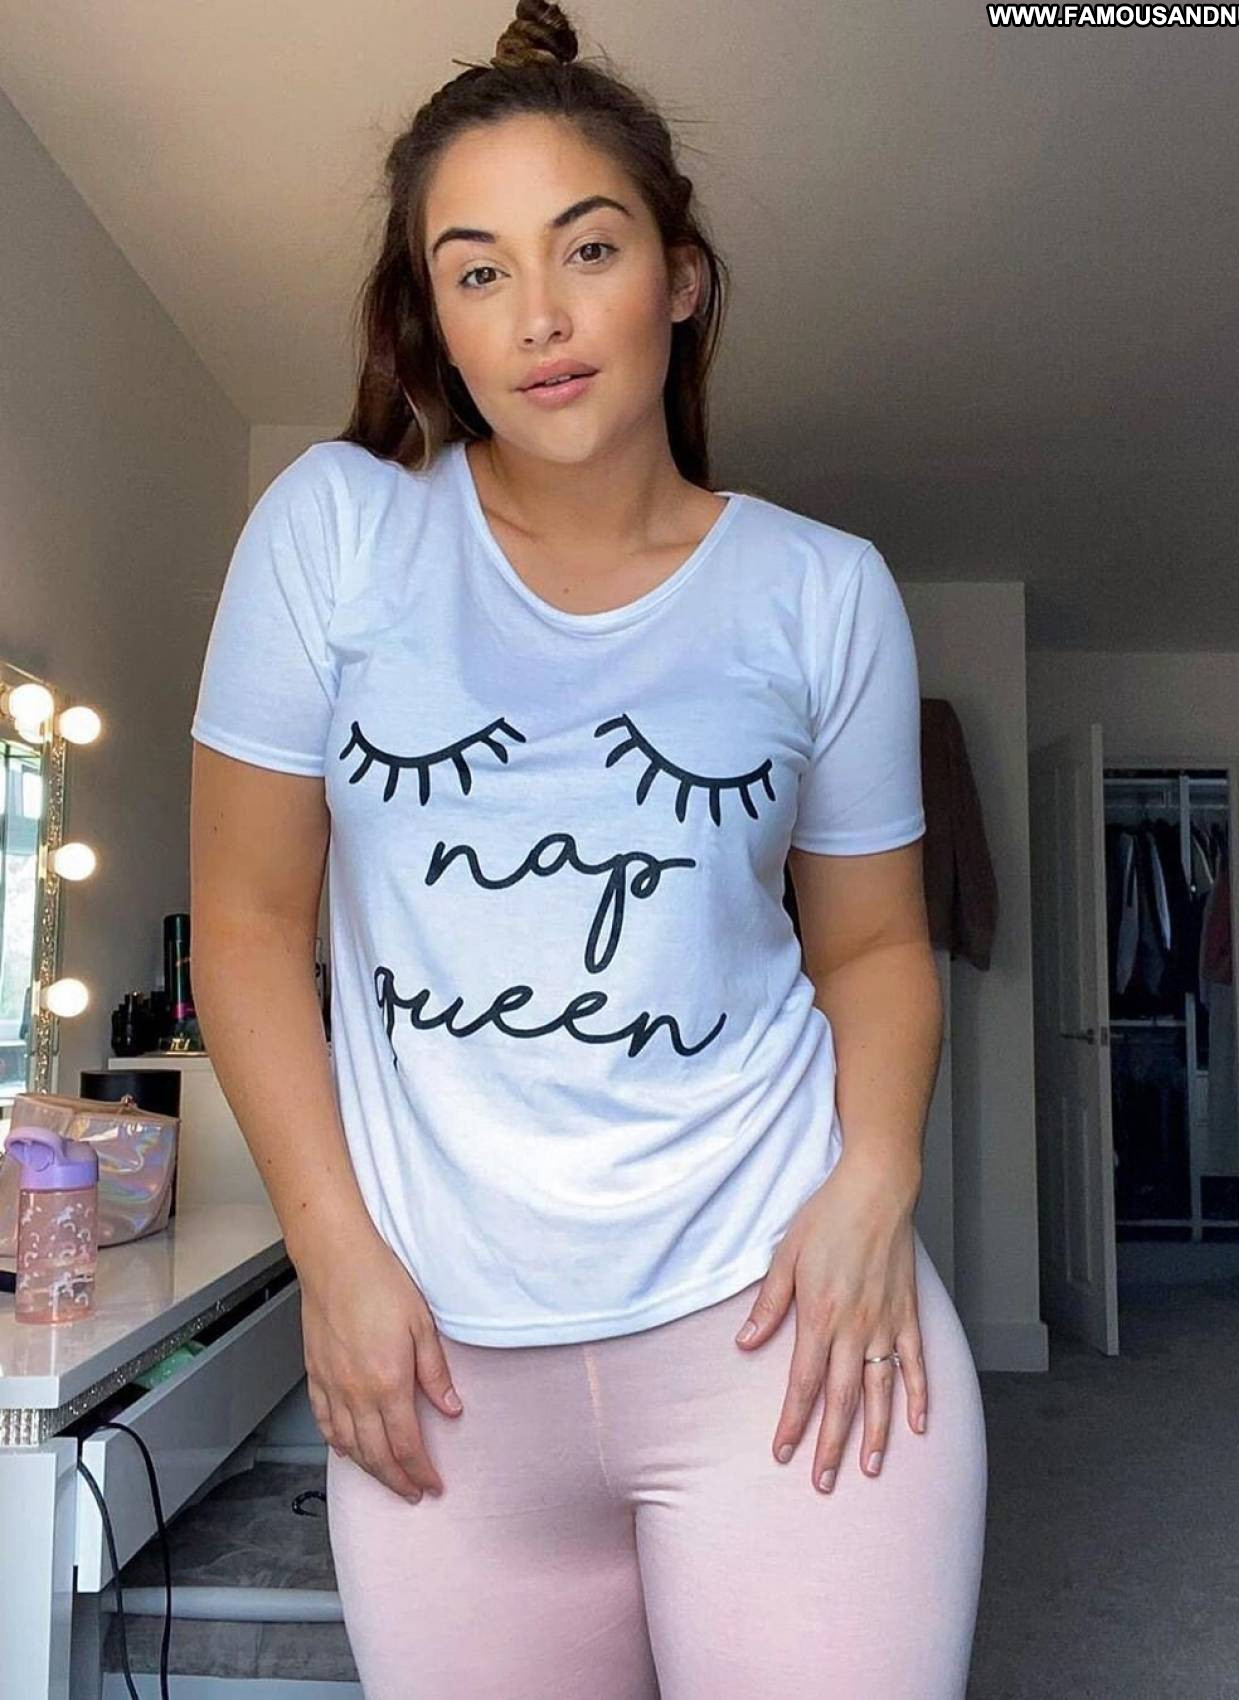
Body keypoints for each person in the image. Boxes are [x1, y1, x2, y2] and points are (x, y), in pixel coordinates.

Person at [188, 2, 987, 1693]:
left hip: (784, 1334)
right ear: (433, 320)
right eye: (476, 271)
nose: (539, 317)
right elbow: (247, 926)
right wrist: (332, 1255)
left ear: (679, 279)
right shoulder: (335, 534)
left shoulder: (821, 589)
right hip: (441, 1372)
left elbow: (872, 947)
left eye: (590, 248)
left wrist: (877, 1179)